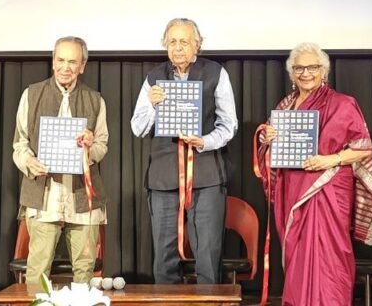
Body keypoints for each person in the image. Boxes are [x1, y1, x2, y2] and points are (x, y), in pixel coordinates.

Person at [256, 42, 372, 306]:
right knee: (297, 255)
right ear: (292, 73)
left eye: (312, 67)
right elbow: (272, 150)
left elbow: (362, 150)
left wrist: (330, 160)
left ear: (323, 71)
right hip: (292, 189)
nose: (305, 73)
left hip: (329, 191)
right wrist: (268, 137)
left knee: (330, 255)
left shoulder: (343, 104)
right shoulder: (285, 107)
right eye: (299, 68)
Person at [130, 18, 237, 284]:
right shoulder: (154, 78)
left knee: (207, 254)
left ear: (197, 46)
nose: (178, 48)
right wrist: (153, 107)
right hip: (164, 177)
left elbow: (229, 124)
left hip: (207, 175)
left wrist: (205, 141)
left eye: (184, 42)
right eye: (172, 42)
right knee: (164, 256)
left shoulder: (216, 73)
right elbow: (137, 128)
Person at [12, 36, 109, 285]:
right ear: (53, 62)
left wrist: (89, 150)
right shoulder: (32, 94)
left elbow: (102, 145)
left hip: (82, 198)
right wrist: (29, 162)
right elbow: (19, 144)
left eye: (73, 61)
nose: (66, 67)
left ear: (82, 65)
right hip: (44, 197)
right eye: (61, 60)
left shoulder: (95, 99)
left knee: (84, 271)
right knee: (38, 271)